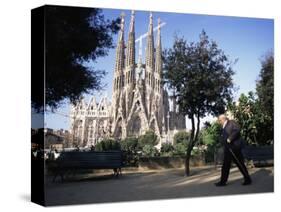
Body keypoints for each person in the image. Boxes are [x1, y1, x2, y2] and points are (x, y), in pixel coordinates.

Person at [215, 114, 252, 186]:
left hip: (234, 147)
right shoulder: (223, 126)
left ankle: (248, 179)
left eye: (219, 120)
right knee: (225, 165)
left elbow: (237, 130)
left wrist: (230, 138)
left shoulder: (231, 122)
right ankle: (223, 182)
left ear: (223, 119)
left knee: (240, 163)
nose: (219, 122)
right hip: (228, 149)